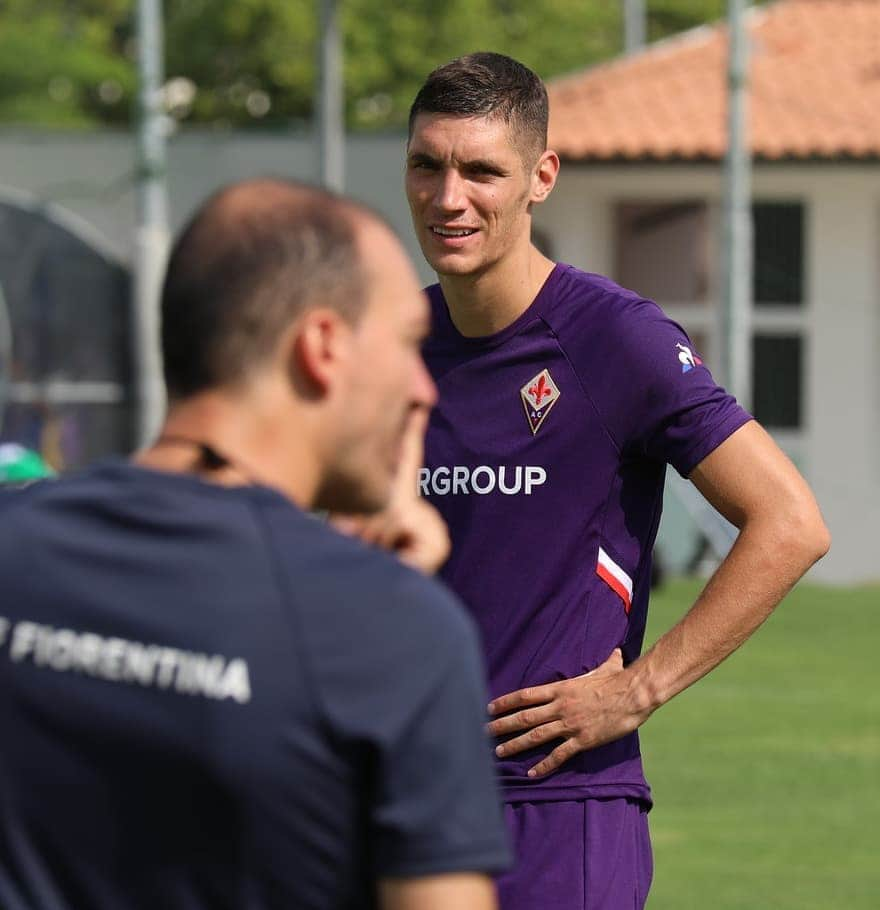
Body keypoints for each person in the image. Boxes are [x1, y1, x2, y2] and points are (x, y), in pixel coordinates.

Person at [0, 180, 509, 910]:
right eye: (407, 345)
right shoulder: (395, 637)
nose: (425, 389)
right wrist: (387, 621)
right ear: (323, 348)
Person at [404, 53, 830, 909]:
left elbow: (789, 521)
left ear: (541, 177)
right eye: (428, 165)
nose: (450, 198)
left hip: (562, 806)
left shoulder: (613, 340)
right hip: (407, 806)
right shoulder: (392, 350)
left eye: (482, 170)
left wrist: (640, 689)